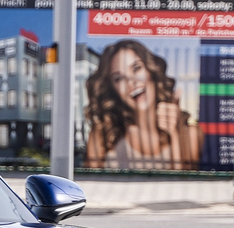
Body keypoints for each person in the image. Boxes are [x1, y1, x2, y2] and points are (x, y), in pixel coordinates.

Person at [83, 39, 197, 170]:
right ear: (113, 88)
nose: (131, 82)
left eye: (136, 68)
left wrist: (175, 135)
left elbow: (185, 185)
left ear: (151, 70)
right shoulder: (102, 134)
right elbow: (90, 183)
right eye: (118, 78)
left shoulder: (190, 133)